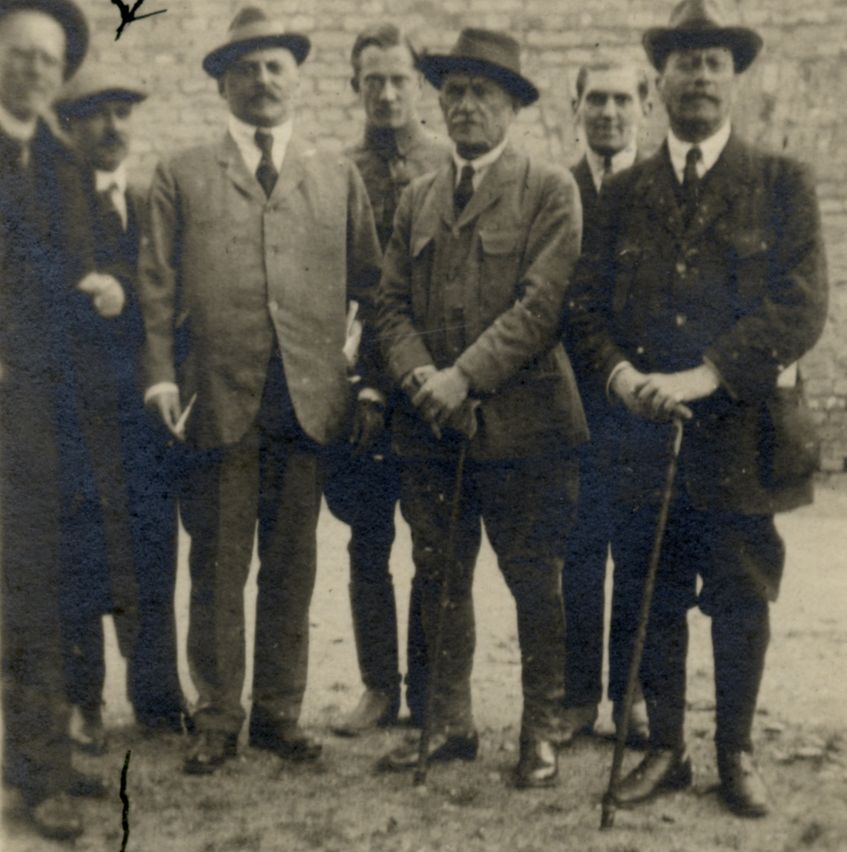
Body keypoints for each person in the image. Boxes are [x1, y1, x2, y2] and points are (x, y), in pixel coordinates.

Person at [569, 0, 828, 818]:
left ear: (734, 78)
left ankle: (735, 750)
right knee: (653, 587)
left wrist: (706, 374)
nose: (700, 78)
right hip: (643, 433)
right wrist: (619, 378)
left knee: (740, 592)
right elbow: (584, 310)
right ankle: (666, 749)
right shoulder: (622, 193)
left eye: (714, 63)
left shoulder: (780, 184)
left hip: (740, 434)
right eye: (685, 63)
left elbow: (800, 306)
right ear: (661, 81)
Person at [138, 6, 382, 776]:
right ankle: (217, 718)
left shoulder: (335, 174)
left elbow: (373, 288)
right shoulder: (182, 173)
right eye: (245, 69)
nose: (262, 80)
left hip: (305, 402)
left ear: (297, 78)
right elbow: (155, 288)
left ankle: (279, 713)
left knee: (291, 565)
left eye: (276, 66)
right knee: (217, 564)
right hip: (218, 397)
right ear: (222, 85)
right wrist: (161, 376)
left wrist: (363, 380)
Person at [376, 28, 586, 788]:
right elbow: (389, 305)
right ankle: (445, 723)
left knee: (535, 582)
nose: (465, 106)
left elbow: (540, 307)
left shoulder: (549, 190)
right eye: (455, 92)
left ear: (513, 107)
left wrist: (463, 378)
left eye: (483, 94)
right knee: (436, 577)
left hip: (527, 429)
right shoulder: (417, 198)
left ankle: (540, 730)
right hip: (431, 427)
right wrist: (421, 380)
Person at [0, 0, 115, 840]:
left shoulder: (62, 161)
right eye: (19, 52)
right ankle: (37, 774)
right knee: (23, 582)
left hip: (53, 407)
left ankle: (38, 752)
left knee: (55, 576)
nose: (34, 67)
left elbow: (68, 269)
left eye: (47, 57)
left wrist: (99, 287)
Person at [55, 66, 189, 741]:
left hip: (142, 414)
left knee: (152, 548)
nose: (112, 128)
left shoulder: (147, 202)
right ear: (68, 127)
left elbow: (172, 284)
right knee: (80, 551)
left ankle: (157, 698)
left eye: (122, 114)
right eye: (95, 115)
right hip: (73, 413)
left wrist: (124, 288)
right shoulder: (49, 204)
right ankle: (82, 701)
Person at [328, 22, 450, 736]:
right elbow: (351, 291)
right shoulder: (337, 171)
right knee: (366, 539)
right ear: (355, 87)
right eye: (372, 80)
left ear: (418, 85)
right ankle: (379, 685)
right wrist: (361, 381)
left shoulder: (447, 163)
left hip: (431, 385)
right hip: (364, 393)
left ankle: (431, 694)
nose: (386, 93)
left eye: (399, 79)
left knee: (434, 541)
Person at [559, 57, 652, 747]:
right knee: (579, 551)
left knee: (640, 553)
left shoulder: (661, 190)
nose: (609, 113)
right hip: (572, 403)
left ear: (644, 107)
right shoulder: (555, 188)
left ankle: (630, 695)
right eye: (596, 99)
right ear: (577, 108)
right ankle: (576, 696)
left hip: (642, 401)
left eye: (622, 99)